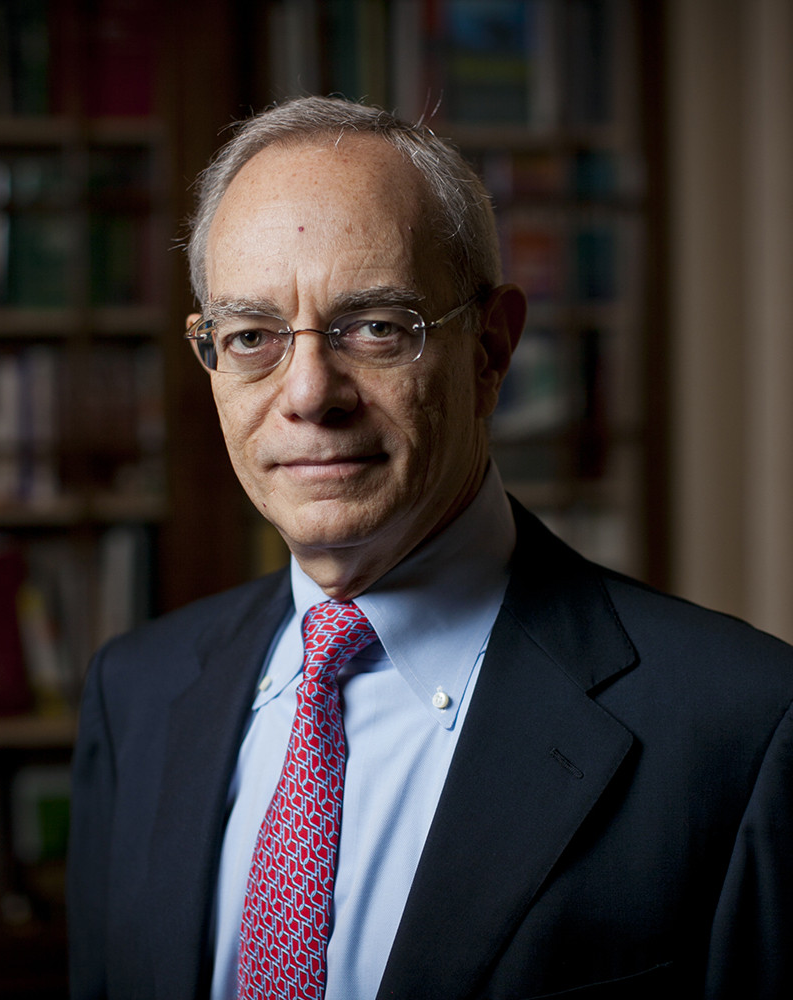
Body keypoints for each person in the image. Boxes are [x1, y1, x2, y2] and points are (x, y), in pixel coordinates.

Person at [67, 95, 793, 1000]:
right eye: (251, 337)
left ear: (490, 350)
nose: (308, 395)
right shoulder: (133, 696)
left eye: (374, 327)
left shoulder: (746, 727)